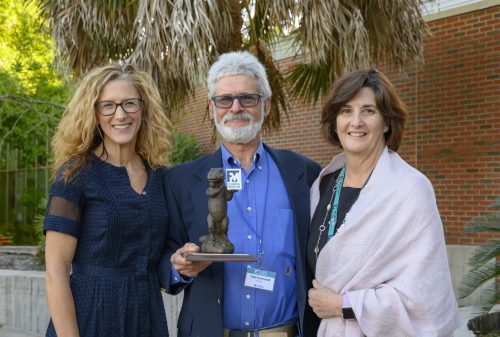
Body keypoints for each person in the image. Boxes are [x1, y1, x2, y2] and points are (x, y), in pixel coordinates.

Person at [160, 51, 321, 337]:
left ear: (266, 105)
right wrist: (179, 266)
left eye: (248, 98)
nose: (235, 107)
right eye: (224, 100)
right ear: (212, 108)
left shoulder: (304, 173)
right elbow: (161, 258)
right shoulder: (181, 181)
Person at [307, 69, 461, 336]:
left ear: (386, 122)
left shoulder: (410, 189)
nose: (356, 122)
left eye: (368, 111)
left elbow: (426, 296)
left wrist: (342, 304)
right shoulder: (322, 184)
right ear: (334, 122)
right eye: (345, 111)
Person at [43, 63, 172, 337]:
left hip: (147, 319)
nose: (120, 114)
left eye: (130, 103)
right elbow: (56, 270)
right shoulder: (75, 175)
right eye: (108, 106)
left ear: (143, 109)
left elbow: (159, 254)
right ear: (95, 114)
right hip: (90, 320)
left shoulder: (160, 177)